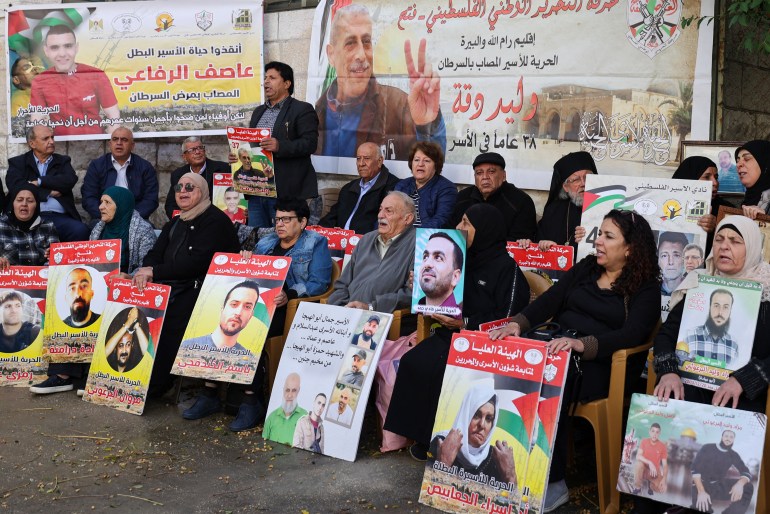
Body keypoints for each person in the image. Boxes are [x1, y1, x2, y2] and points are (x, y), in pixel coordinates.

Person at [489, 209, 661, 512]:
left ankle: (553, 482)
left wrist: (583, 344)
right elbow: (552, 299)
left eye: (609, 237)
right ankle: (506, 467)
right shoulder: (587, 268)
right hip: (558, 346)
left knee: (554, 375)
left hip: (602, 365)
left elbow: (634, 333)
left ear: (630, 248)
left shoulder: (644, 286)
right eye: (600, 234)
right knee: (509, 363)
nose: (599, 242)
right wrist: (519, 322)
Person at [385, 203, 530, 461]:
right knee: (413, 362)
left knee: (443, 371)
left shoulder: (507, 270)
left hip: (484, 343)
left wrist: (466, 323)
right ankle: (420, 435)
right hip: (451, 335)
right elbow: (443, 296)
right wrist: (420, 286)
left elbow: (508, 317)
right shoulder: (463, 261)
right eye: (460, 221)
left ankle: (434, 440)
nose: (459, 228)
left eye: (466, 223)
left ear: (485, 229)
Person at [650, 215, 770, 514]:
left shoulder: (766, 290)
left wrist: (744, 379)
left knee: (728, 419)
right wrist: (668, 373)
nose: (724, 247)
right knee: (674, 403)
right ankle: (671, 498)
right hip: (691, 382)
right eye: (719, 240)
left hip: (742, 391)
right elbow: (666, 335)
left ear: (752, 247)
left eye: (735, 241)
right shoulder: (698, 283)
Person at [133, 173, 239, 397]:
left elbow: (196, 263)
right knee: (135, 310)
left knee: (172, 316)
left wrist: (155, 271)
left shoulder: (215, 221)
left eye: (190, 187)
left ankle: (158, 385)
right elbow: (155, 253)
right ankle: (128, 377)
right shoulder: (177, 221)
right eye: (179, 187)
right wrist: (146, 271)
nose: (182, 191)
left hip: (205, 290)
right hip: (172, 284)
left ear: (202, 192)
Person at [315, 4, 445, 159]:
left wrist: (427, 126)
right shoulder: (316, 112)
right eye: (350, 43)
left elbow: (433, 163)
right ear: (331, 55)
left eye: (366, 42)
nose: (361, 55)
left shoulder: (400, 105)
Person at [239, 61, 319, 228]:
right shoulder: (258, 112)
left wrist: (280, 146)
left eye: (272, 78)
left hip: (285, 191)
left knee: (283, 240)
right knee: (258, 241)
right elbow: (253, 146)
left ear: (287, 83)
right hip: (257, 188)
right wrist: (238, 154)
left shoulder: (302, 109)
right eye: (265, 78)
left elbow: (310, 144)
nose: (266, 82)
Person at [245, 198, 333, 337]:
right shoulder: (267, 241)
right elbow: (250, 274)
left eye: (286, 219)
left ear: (302, 222)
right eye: (277, 219)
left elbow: (319, 283)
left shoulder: (315, 242)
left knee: (252, 331)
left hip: (289, 307)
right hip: (257, 303)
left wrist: (290, 295)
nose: (279, 224)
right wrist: (246, 260)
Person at [327, 192, 416, 313]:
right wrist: (342, 306)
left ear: (407, 218)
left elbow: (411, 294)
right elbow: (343, 284)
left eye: (388, 211)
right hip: (347, 313)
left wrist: (371, 307)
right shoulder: (367, 239)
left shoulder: (418, 245)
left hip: (380, 318)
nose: (380, 215)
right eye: (380, 209)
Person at [29, 25, 119, 136]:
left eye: (68, 46)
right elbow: (37, 122)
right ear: (46, 51)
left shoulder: (96, 75)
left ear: (76, 48)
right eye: (55, 47)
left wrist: (107, 148)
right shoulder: (40, 81)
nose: (62, 53)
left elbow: (114, 117)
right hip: (58, 146)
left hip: (96, 145)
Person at [6, 125, 89, 242]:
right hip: (28, 218)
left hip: (59, 217)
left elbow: (69, 179)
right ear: (32, 143)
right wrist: (48, 192)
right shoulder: (18, 163)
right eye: (46, 139)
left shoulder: (62, 161)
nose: (51, 141)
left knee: (81, 230)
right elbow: (17, 187)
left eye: (52, 137)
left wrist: (39, 181)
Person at [428, 381, 517, 488]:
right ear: (466, 414)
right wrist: (443, 462)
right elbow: (428, 490)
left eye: (489, 419)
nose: (482, 425)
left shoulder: (495, 457)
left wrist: (510, 476)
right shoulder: (441, 442)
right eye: (476, 415)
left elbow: (510, 502)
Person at [30, 266, 103, 395]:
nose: (78, 294)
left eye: (84, 286)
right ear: (65, 297)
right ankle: (62, 376)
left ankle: (90, 377)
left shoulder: (101, 320)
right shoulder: (63, 323)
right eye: (72, 287)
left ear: (92, 293)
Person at [449, 152, 537, 241]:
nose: (485, 177)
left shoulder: (521, 201)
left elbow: (519, 242)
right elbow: (452, 233)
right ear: (475, 177)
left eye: (491, 172)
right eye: (479, 173)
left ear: (504, 175)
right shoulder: (463, 197)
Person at [81, 127, 159, 221]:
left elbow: (151, 200)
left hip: (135, 219)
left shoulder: (145, 167)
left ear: (132, 146)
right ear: (110, 144)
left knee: (148, 233)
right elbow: (88, 198)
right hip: (103, 218)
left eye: (124, 140)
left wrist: (131, 217)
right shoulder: (97, 166)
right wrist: (106, 214)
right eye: (115, 139)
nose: (119, 143)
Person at [319, 142, 399, 233]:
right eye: (358, 159)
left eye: (366, 158)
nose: (361, 164)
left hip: (365, 243)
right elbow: (332, 217)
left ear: (380, 161)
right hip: (339, 241)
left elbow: (384, 225)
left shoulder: (392, 188)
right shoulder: (349, 188)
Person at [531, 151, 597, 251]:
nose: (583, 183)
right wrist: (549, 247)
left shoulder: (607, 207)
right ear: (566, 187)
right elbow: (539, 246)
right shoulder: (553, 212)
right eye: (576, 180)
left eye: (587, 177)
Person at [89, 186, 157, 276]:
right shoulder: (98, 229)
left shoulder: (144, 232)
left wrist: (129, 277)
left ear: (121, 206)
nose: (101, 207)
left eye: (107, 203)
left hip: (128, 284)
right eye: (101, 202)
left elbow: (146, 268)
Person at [180, 281, 259, 355]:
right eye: (234, 304)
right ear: (222, 309)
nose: (238, 313)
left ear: (251, 316)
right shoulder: (186, 347)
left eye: (247, 307)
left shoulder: (249, 361)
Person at [671, 155, 727, 256]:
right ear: (690, 179)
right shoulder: (670, 206)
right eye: (707, 177)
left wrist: (717, 226)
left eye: (716, 177)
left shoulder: (725, 210)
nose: (715, 183)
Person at [165, 137, 230, 219]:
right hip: (187, 221)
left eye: (200, 148)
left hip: (214, 219)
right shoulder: (178, 175)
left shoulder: (223, 169)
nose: (198, 152)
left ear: (204, 151)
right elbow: (171, 205)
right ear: (184, 157)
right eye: (192, 150)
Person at [394, 142, 457, 228]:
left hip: (425, 238)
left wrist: (412, 235)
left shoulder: (447, 188)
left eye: (427, 160)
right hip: (400, 237)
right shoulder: (402, 185)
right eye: (416, 160)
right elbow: (389, 213)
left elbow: (441, 220)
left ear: (436, 166)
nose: (420, 164)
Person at [690, 429, 753, 514]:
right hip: (701, 485)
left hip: (718, 486)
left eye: (731, 437)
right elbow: (695, 470)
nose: (728, 439)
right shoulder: (707, 447)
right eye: (726, 436)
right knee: (702, 508)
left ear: (733, 440)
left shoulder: (733, 455)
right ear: (722, 437)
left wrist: (740, 484)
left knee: (748, 487)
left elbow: (746, 471)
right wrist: (701, 492)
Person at [0, 184, 59, 267]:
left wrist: (53, 257)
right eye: (19, 200)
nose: (24, 204)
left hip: (41, 277)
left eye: (30, 201)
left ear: (36, 205)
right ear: (13, 204)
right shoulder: (1, 225)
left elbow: (57, 261)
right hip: (8, 278)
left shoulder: (48, 226)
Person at [684, 289, 738, 366]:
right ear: (710, 307)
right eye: (716, 306)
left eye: (725, 307)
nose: (720, 313)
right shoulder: (688, 335)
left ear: (730, 311)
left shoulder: (734, 344)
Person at [417, 231, 463, 317]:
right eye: (425, 257)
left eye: (438, 257)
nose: (427, 264)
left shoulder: (460, 321)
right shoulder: (413, 312)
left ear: (455, 277)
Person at [263, 373, 307, 445]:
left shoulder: (305, 417)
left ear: (298, 391)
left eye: (294, 390)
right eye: (287, 390)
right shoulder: (271, 417)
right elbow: (263, 443)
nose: (289, 395)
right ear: (283, 390)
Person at [104, 307, 150, 374]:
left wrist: (136, 326)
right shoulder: (107, 364)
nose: (124, 350)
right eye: (120, 345)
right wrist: (129, 322)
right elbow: (105, 351)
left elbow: (148, 354)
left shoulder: (136, 366)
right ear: (114, 347)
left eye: (128, 344)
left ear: (132, 345)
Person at [631, 423, 668, 496]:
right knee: (639, 464)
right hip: (643, 468)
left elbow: (665, 465)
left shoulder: (662, 446)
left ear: (659, 433)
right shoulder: (644, 441)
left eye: (657, 432)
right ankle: (638, 487)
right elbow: (638, 456)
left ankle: (650, 486)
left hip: (654, 472)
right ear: (649, 431)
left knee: (662, 489)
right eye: (653, 431)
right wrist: (650, 463)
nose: (655, 434)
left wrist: (664, 479)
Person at [736, 140, 770, 218]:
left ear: (765, 163)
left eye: (747, 159)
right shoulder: (747, 200)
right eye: (737, 160)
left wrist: (766, 217)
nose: (738, 164)